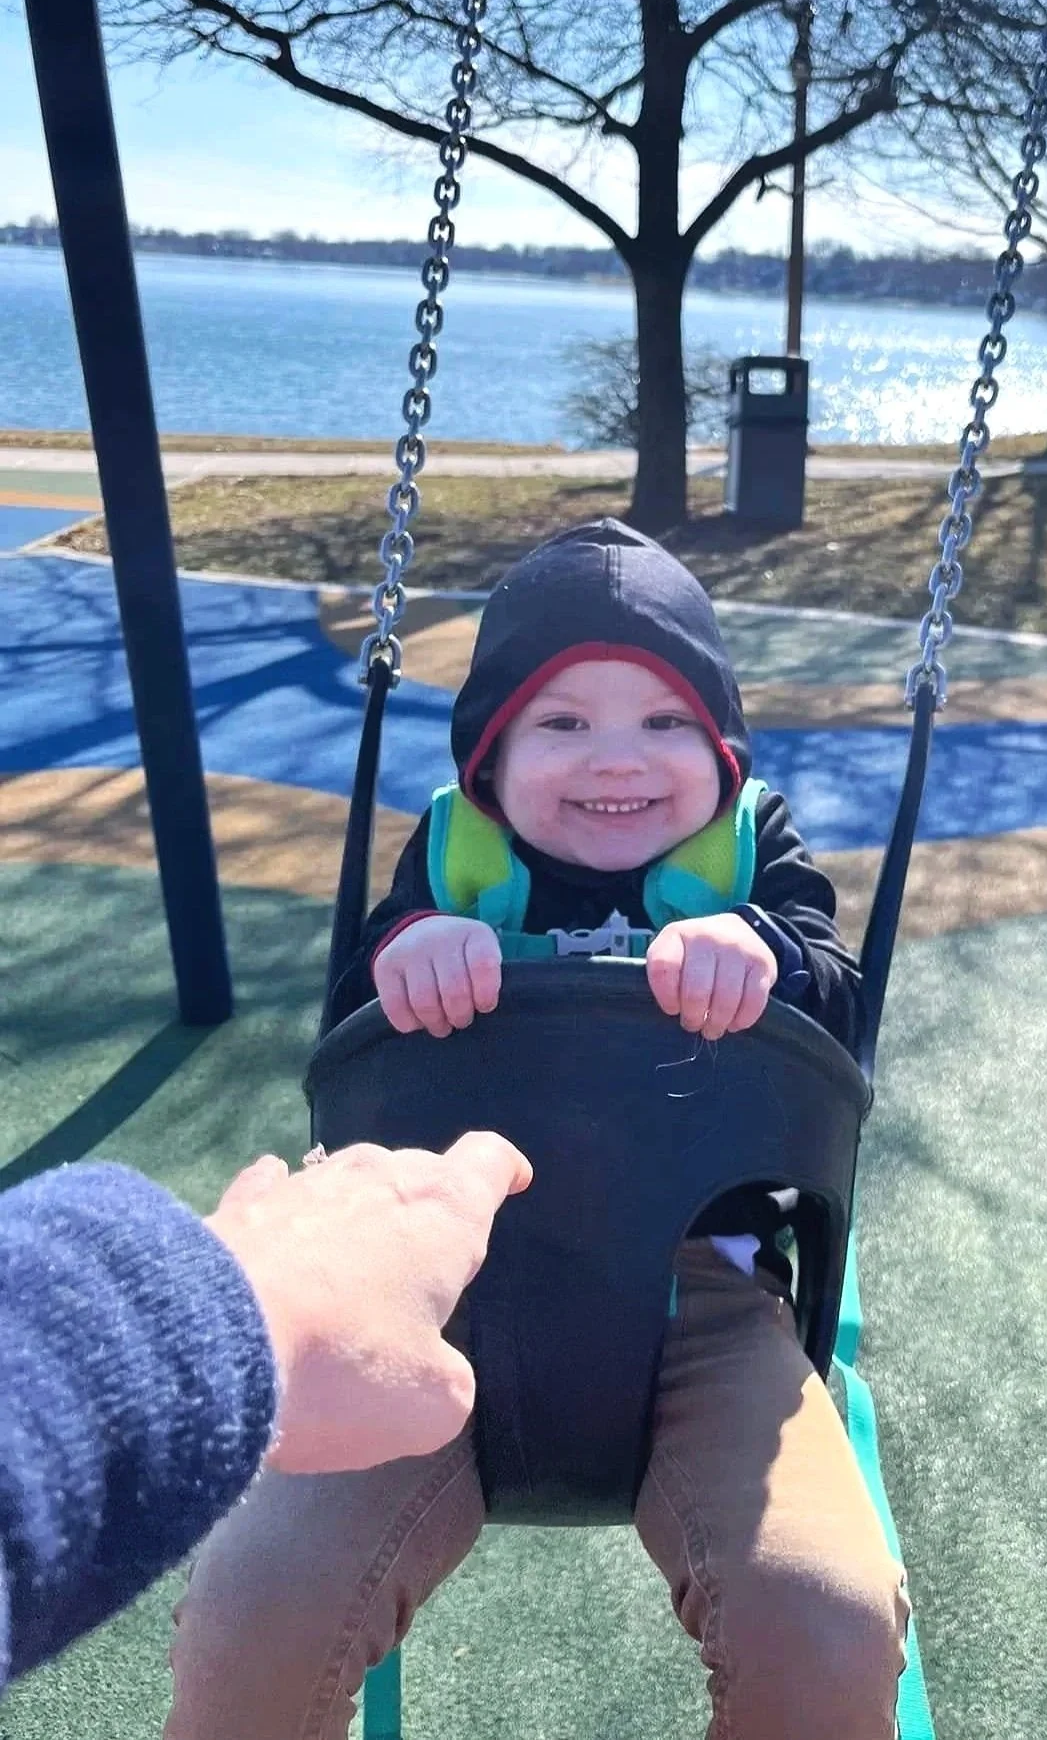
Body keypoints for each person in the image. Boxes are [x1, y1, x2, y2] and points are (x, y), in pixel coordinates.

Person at [166, 519, 909, 1740]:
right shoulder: (459, 857)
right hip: (439, 1289)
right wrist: (412, 954)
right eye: (561, 723)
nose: (616, 758)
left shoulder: (753, 851)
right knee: (253, 1610)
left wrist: (759, 951)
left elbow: (835, 986)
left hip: (702, 1292)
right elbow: (353, 1017)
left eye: (666, 722)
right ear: (488, 763)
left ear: (722, 750)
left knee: (825, 1617)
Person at [0, 1132, 531, 1693]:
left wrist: (204, 1310)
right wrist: (211, 1314)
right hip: (393, 1279)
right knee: (247, 1626)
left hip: (629, 1316)